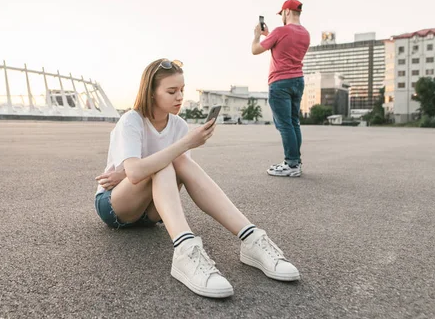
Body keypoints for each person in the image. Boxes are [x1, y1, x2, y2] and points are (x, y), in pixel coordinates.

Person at [94, 58, 300, 299]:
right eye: (171, 91)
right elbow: (136, 173)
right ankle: (185, 250)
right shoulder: (132, 120)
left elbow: (176, 170)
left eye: (182, 89)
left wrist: (178, 148)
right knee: (165, 163)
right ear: (150, 93)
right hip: (115, 205)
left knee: (178, 161)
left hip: (151, 213)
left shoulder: (179, 125)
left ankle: (251, 238)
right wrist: (186, 143)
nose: (179, 96)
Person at [251, 0, 311, 177]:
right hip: (298, 81)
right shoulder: (305, 34)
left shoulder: (280, 31)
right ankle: (295, 162)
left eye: (282, 14)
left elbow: (255, 50)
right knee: (293, 123)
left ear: (286, 12)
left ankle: (291, 164)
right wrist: (268, 34)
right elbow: (284, 43)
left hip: (280, 82)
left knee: (284, 125)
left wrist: (256, 35)